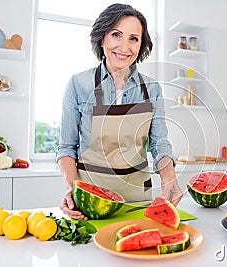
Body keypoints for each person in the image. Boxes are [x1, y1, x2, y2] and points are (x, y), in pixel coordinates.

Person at [56, 3, 182, 220]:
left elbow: (160, 143)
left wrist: (169, 177)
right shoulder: (79, 84)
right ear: (102, 37)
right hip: (90, 198)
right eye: (116, 34)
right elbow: (67, 147)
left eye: (134, 38)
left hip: (138, 199)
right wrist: (70, 188)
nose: (125, 47)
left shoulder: (151, 89)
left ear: (141, 45)